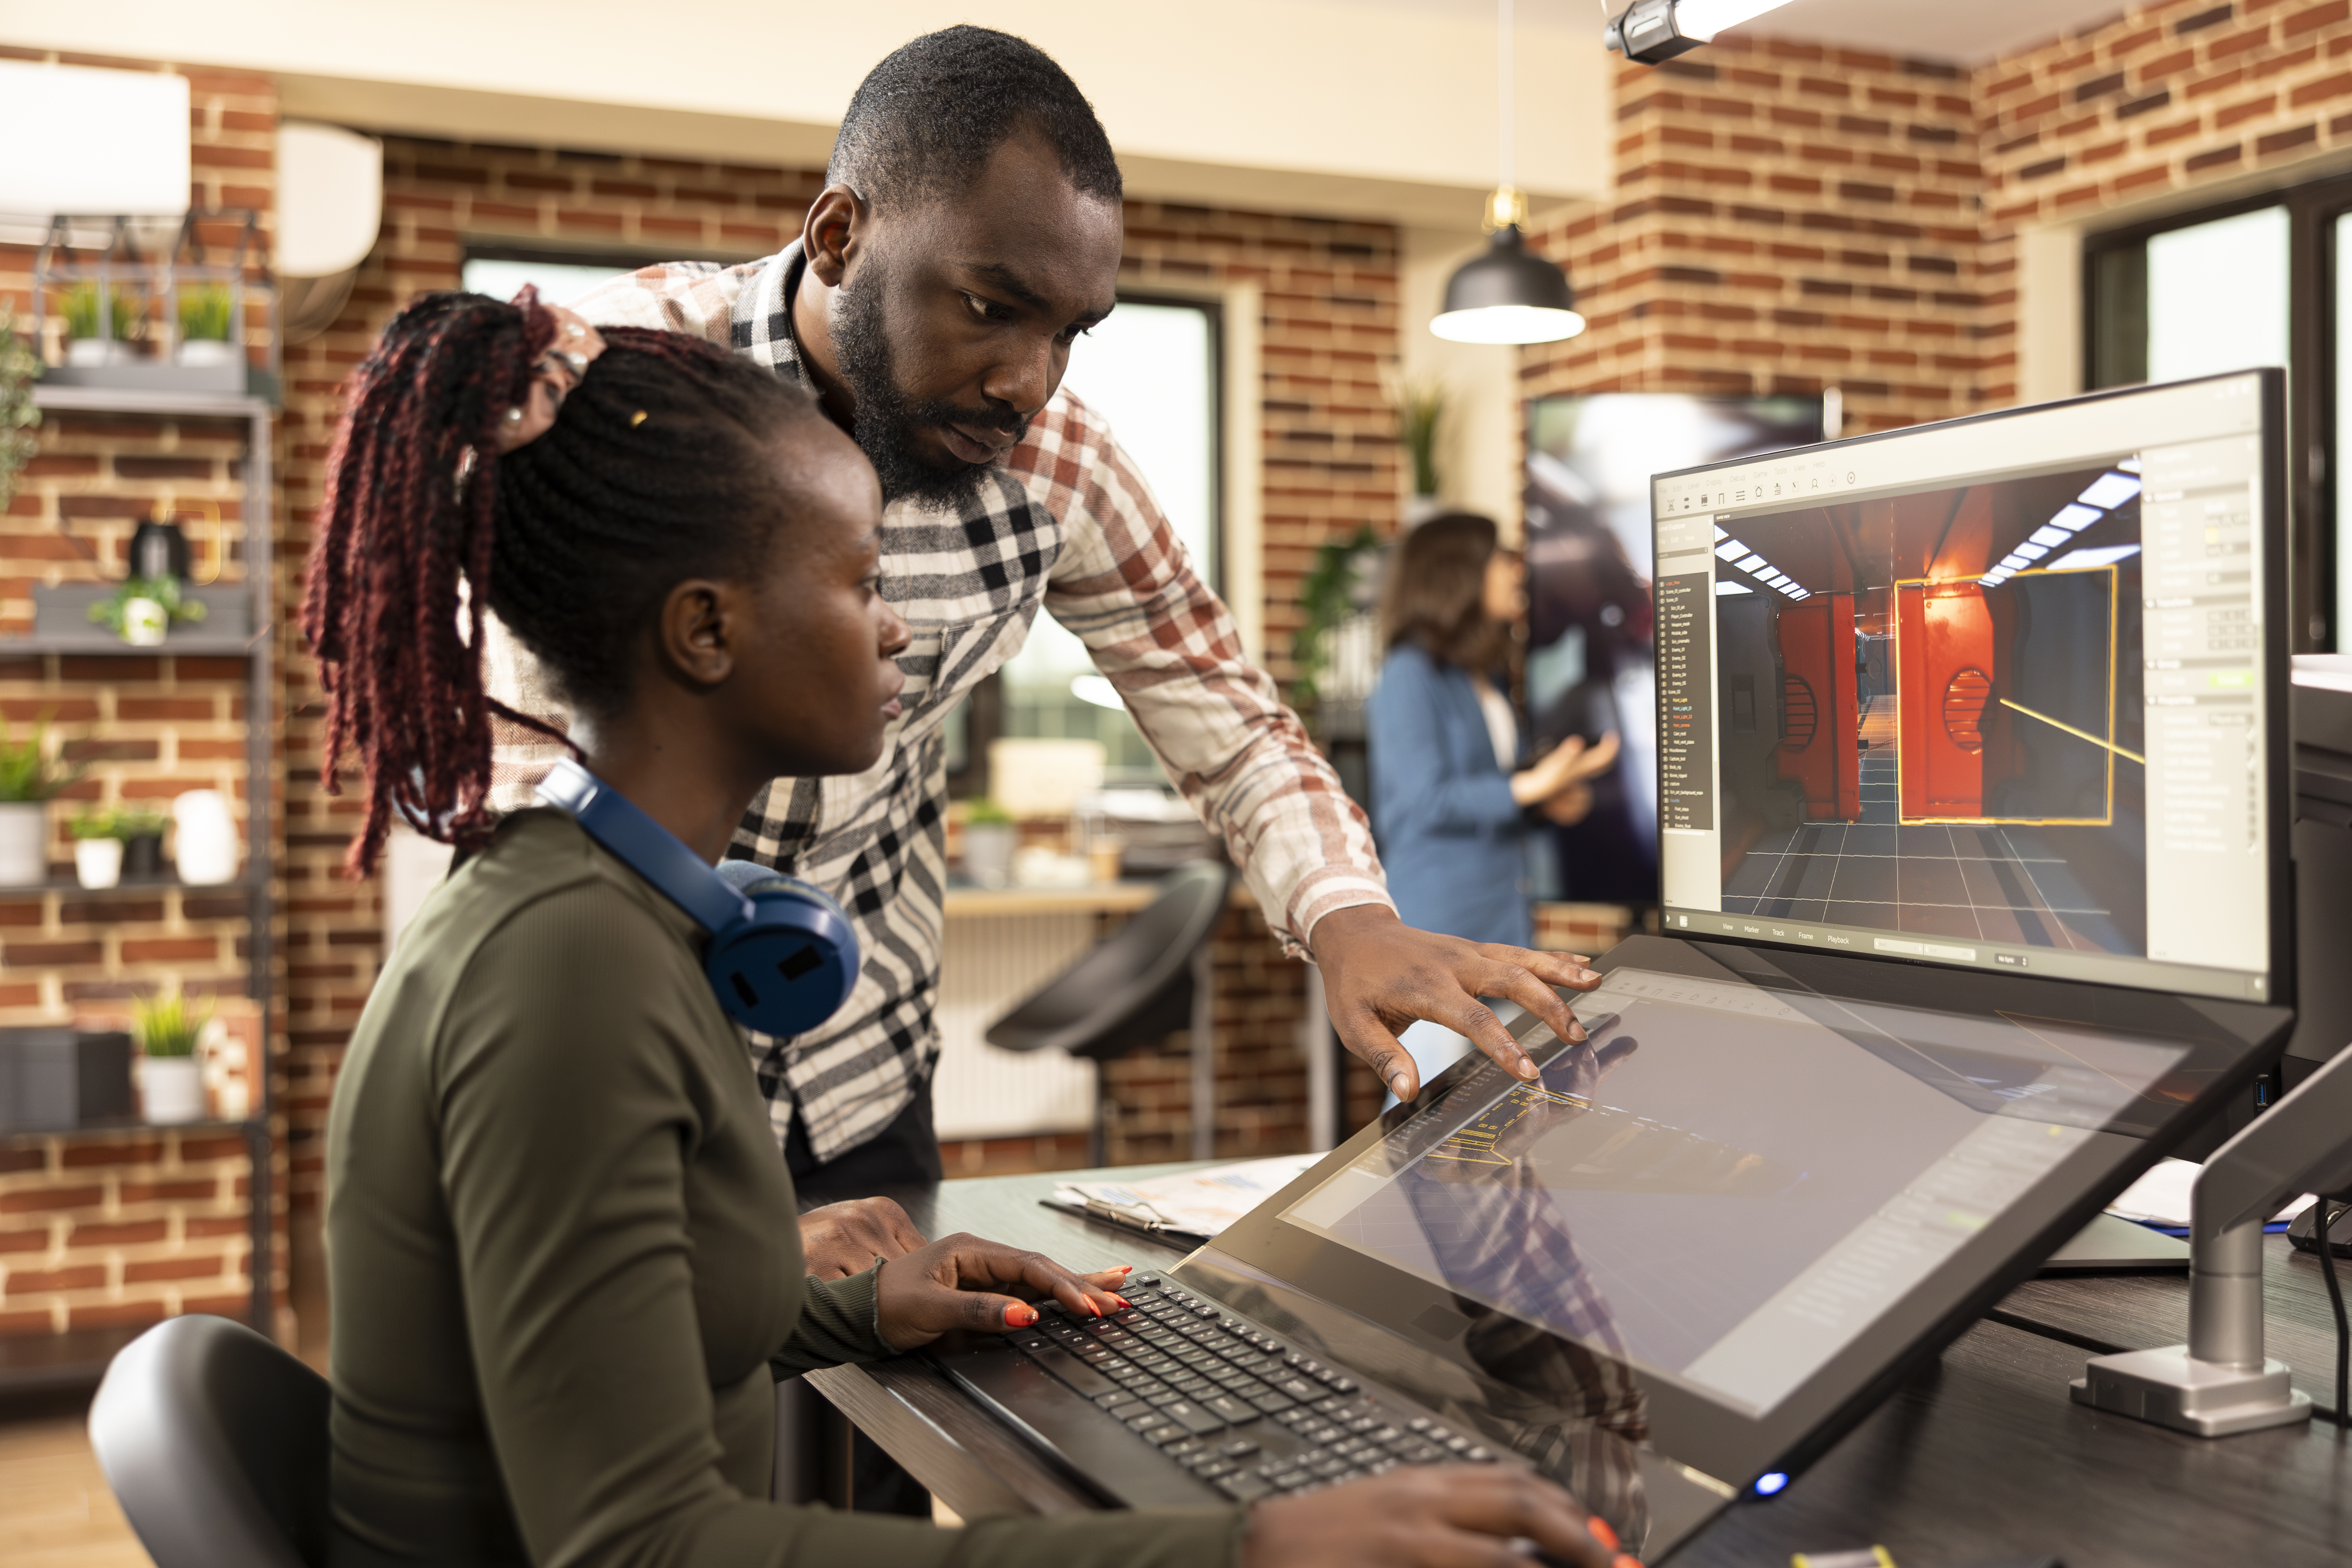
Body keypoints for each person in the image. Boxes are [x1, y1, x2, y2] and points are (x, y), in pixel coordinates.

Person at [304, 289, 1628, 1568]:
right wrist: (1250, 1544)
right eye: (859, 581)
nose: (898, 629)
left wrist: (851, 1307)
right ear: (705, 628)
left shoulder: (591, 910)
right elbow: (644, 1546)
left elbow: (604, 1340)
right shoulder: (573, 973)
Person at [482, 27, 1605, 1240]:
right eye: (989, 307)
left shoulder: (1054, 461)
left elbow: (1228, 716)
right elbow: (497, 750)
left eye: (1071, 332)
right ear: (841, 236)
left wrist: (1349, 918)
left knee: (874, 1419)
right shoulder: (608, 388)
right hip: (605, 1049)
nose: (1028, 381)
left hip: (859, 1063)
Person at [1366, 514, 1621, 951]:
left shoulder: (1485, 677)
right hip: (1439, 923)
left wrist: (1546, 802)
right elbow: (1427, 800)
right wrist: (1530, 786)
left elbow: (1495, 792)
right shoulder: (1408, 674)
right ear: (1460, 574)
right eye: (1501, 558)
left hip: (1503, 918)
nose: (1515, 570)